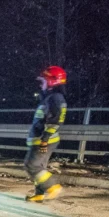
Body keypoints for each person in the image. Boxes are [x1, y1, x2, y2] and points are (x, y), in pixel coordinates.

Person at [24, 66, 67, 202]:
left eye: (43, 81)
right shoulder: (50, 97)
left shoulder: (55, 98)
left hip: (44, 140)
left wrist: (45, 139)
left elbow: (56, 120)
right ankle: (39, 194)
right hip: (42, 139)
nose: (41, 84)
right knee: (40, 167)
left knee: (32, 165)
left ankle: (52, 186)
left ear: (52, 81)